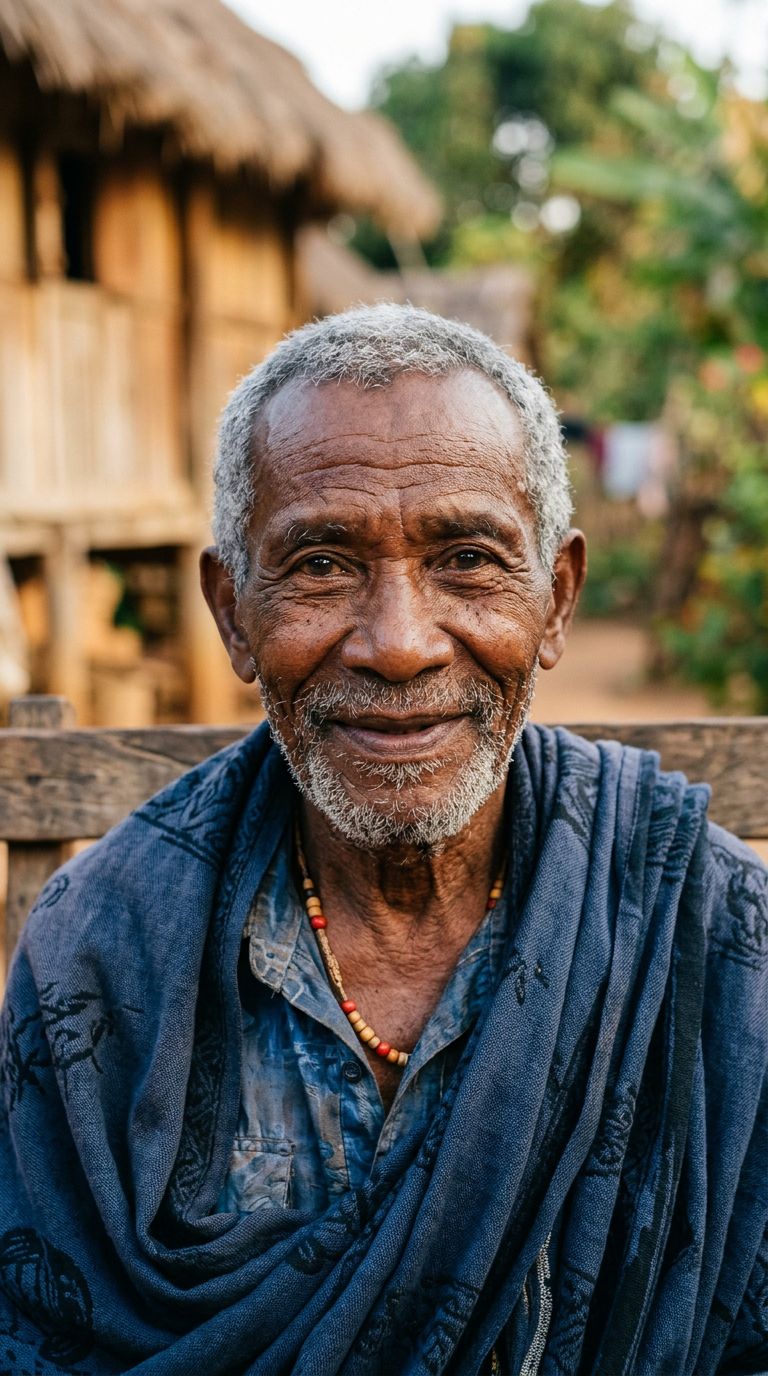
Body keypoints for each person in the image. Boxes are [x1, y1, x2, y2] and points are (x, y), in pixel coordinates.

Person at [1, 305, 766, 1376]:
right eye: (320, 563)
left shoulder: (715, 935)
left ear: (556, 600)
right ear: (232, 611)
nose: (400, 643)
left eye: (467, 558)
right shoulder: (102, 953)